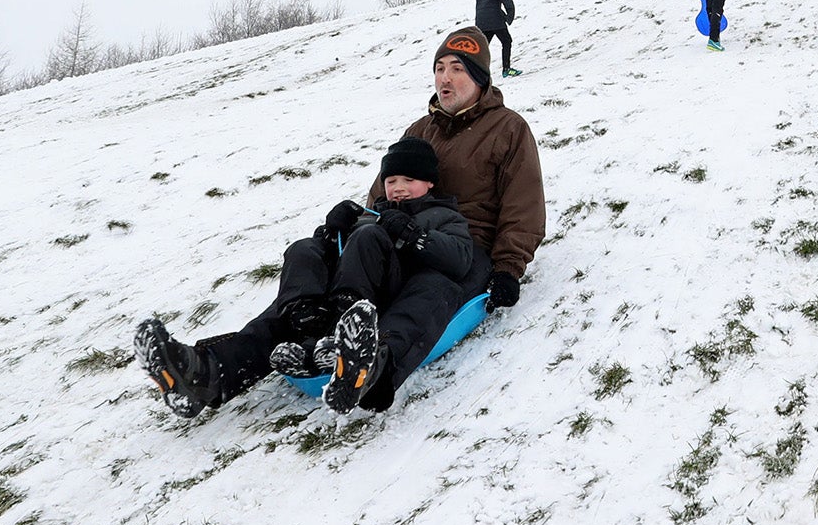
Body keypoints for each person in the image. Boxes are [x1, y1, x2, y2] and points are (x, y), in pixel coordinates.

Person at [131, 27, 544, 418]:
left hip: (462, 247)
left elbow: (523, 206)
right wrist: (354, 225)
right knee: (311, 288)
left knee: (428, 292)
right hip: (398, 236)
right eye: (439, 68)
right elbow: (381, 194)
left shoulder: (508, 129)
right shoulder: (421, 129)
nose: (445, 79)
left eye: (457, 69)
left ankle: (373, 370)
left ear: (478, 77)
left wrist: (508, 268)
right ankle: (208, 373)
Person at [134, 134, 491, 419]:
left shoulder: (442, 216)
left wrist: (413, 234)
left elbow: (459, 258)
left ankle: (355, 357)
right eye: (391, 180)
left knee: (371, 242)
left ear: (429, 183)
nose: (398, 187)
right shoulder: (371, 215)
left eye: (408, 180)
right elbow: (337, 252)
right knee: (303, 249)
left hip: (386, 296)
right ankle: (204, 375)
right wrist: (329, 232)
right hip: (340, 299)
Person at [476, 0, 521, 77]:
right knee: (506, 41)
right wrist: (510, 14)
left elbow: (482, 3)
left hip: (482, 20)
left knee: (482, 47)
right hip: (495, 19)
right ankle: (506, 69)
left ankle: (477, 73)